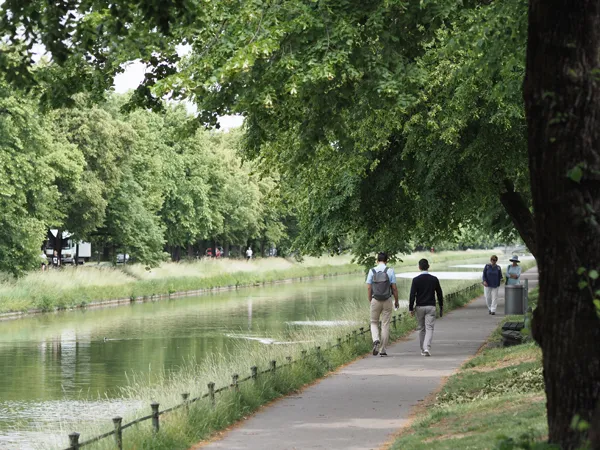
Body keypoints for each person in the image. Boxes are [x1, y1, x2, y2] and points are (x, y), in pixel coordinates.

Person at [366, 252, 399, 357]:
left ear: (377, 260)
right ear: (386, 260)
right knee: (385, 325)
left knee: (374, 322)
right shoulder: (390, 271)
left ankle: (375, 340)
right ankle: (383, 350)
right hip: (387, 300)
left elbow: (369, 287)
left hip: (375, 299)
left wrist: (370, 299)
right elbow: (394, 288)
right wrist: (396, 300)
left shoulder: (372, 271)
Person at [409, 258, 443, 357]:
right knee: (429, 328)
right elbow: (439, 293)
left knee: (421, 328)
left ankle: (423, 349)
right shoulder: (434, 279)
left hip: (419, 306)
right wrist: (441, 305)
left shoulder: (416, 280)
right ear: (428, 267)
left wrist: (411, 308)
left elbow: (412, 295)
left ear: (419, 267)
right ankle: (426, 347)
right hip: (431, 306)